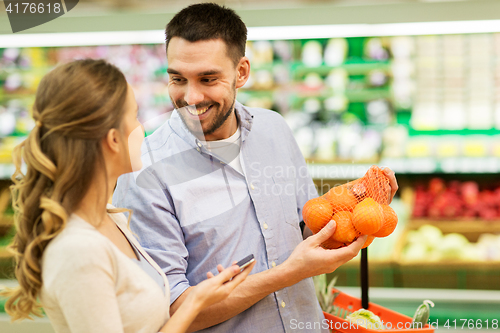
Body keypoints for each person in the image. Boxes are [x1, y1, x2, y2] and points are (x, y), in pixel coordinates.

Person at [113, 3, 399, 333]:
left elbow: (308, 228)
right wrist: (291, 271)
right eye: (178, 78)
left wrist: (355, 205)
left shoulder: (273, 128)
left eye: (208, 78)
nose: (190, 97)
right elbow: (173, 312)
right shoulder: (144, 173)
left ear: (242, 72)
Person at [1, 59, 254, 333]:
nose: (142, 129)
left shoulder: (111, 218)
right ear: (113, 140)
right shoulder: (78, 251)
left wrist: (198, 296)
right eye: (134, 117)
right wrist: (194, 304)